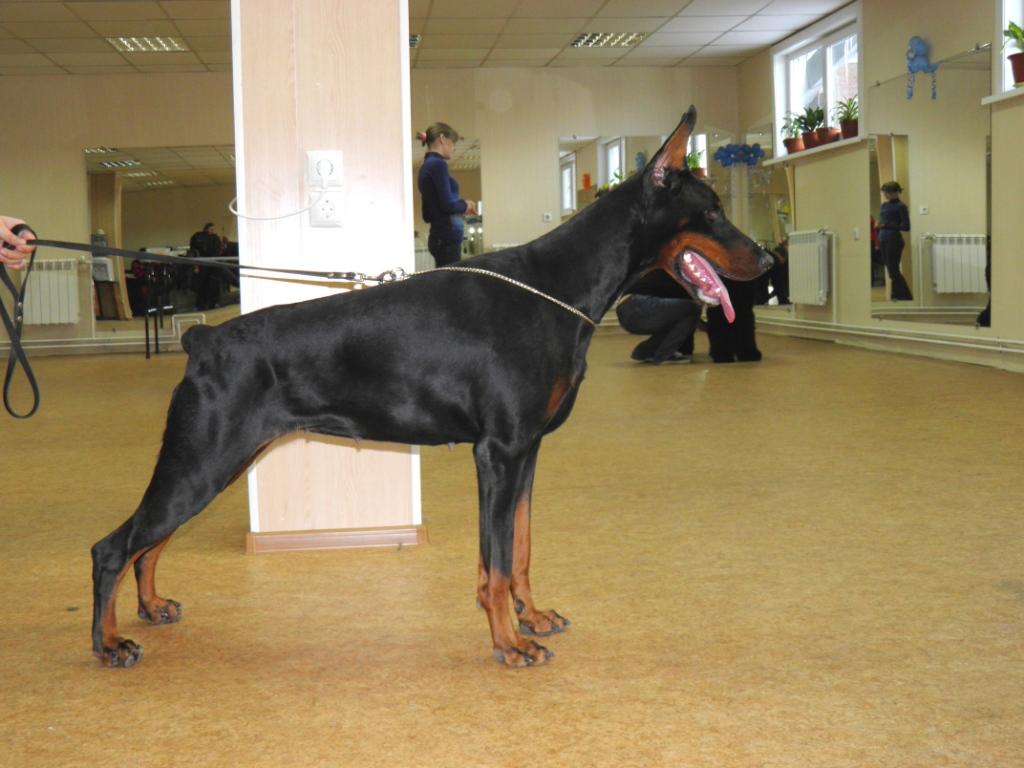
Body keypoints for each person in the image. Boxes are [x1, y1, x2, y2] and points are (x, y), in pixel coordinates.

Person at [417, 123, 477, 267]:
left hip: (440, 236)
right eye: (453, 143)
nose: (454, 148)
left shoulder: (428, 165)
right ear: (442, 139)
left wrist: (462, 204)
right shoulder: (438, 165)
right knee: (451, 279)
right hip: (446, 237)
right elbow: (447, 205)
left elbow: (428, 213)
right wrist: (465, 205)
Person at [615, 269, 701, 364]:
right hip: (639, 305)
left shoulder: (670, 270)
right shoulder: (685, 277)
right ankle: (664, 355)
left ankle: (646, 352)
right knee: (694, 308)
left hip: (626, 310)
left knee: (680, 317)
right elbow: (692, 314)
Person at [877, 181, 913, 301]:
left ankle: (904, 296)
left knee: (893, 270)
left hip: (894, 240)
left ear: (896, 192)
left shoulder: (901, 206)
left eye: (888, 192)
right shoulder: (884, 205)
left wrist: (887, 225)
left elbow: (906, 226)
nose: (885, 195)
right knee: (890, 270)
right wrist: (880, 225)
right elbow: (883, 222)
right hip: (883, 239)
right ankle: (898, 295)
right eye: (885, 192)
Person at [189, 222, 223, 310]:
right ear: (206, 229)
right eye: (211, 229)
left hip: (211, 265)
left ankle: (212, 303)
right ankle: (203, 305)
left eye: (213, 229)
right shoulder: (199, 237)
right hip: (204, 265)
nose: (212, 231)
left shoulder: (214, 238)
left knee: (212, 285)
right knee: (203, 285)